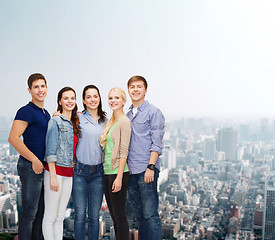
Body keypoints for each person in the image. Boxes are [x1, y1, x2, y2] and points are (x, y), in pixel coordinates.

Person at [8, 73, 50, 240]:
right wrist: (34, 160)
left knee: (40, 214)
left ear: (46, 88)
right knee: (29, 214)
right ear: (30, 90)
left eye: (42, 86)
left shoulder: (45, 113)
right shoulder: (26, 111)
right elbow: (13, 138)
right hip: (30, 167)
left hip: (41, 168)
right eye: (36, 87)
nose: (40, 90)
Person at [126, 75, 165, 240]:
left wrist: (150, 167)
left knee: (151, 216)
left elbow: (157, 143)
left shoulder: (154, 112)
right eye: (132, 87)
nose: (135, 90)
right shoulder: (127, 115)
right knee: (140, 217)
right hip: (131, 172)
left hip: (146, 170)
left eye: (139, 86)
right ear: (128, 90)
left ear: (145, 90)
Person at [42, 87, 80, 240]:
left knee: (59, 216)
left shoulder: (75, 123)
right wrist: (52, 176)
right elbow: (50, 151)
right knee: (50, 215)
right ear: (60, 101)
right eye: (66, 98)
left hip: (69, 174)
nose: (69, 101)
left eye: (72, 98)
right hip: (55, 173)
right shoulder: (55, 121)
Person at [73, 85, 107, 240]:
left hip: (98, 174)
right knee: (80, 215)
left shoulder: (106, 121)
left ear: (99, 98)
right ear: (83, 100)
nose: (92, 99)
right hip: (79, 173)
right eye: (89, 97)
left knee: (94, 216)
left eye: (95, 96)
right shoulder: (77, 118)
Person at [100, 87, 131, 240]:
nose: (113, 101)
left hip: (117, 173)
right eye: (110, 98)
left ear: (124, 101)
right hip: (107, 173)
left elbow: (124, 151)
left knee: (120, 216)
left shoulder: (124, 122)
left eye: (117, 98)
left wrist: (119, 177)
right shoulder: (111, 121)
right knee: (114, 216)